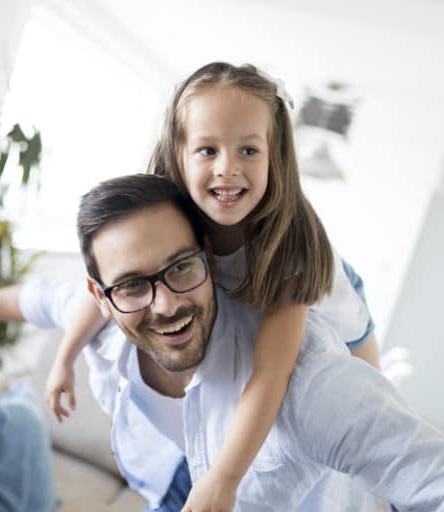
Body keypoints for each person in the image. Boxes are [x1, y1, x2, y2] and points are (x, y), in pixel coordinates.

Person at [0, 174, 444, 510]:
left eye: (181, 268)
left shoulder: (304, 379)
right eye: (133, 285)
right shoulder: (101, 329)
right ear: (100, 293)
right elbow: (22, 300)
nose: (165, 304)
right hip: (171, 487)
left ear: (212, 259)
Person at [43, 62, 379, 511]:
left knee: (366, 423)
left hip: (346, 321)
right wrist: (65, 358)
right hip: (243, 285)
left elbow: (271, 372)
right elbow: (112, 283)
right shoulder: (169, 214)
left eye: (248, 151)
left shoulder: (290, 249)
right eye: (207, 150)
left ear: (274, 157)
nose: (227, 169)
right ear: (178, 154)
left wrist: (223, 479)